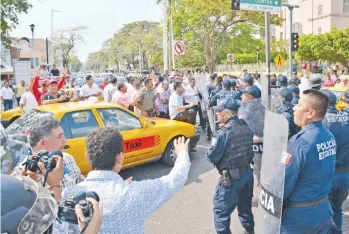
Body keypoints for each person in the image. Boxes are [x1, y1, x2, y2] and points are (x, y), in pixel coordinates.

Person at [62, 127, 191, 233]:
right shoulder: (134, 193)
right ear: (119, 158)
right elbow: (176, 179)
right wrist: (182, 153)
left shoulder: (68, 195)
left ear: (87, 156)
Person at [282, 89, 336, 233]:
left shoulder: (299, 143)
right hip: (323, 209)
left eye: (299, 105)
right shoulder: (329, 135)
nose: (294, 107)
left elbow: (283, 182)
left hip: (299, 218)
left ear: (310, 113)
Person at [207, 98, 254, 234]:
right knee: (245, 208)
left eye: (220, 111)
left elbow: (211, 156)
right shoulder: (246, 127)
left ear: (228, 113)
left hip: (231, 180)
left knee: (221, 213)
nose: (217, 114)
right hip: (247, 175)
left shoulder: (223, 133)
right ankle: (250, 230)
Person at [12, 116, 83, 189]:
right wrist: (25, 185)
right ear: (42, 143)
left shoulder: (68, 159)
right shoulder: (21, 174)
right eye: (59, 137)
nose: (65, 140)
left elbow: (80, 185)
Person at [322, 89, 349, 234]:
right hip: (344, 174)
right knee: (337, 209)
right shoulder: (346, 117)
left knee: (324, 213)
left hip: (328, 174)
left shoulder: (322, 121)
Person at [238, 85, 265, 184]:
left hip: (254, 144)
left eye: (243, 95)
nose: (241, 97)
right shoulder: (263, 105)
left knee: (257, 167)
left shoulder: (246, 110)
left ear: (249, 97)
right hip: (265, 142)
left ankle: (262, 187)